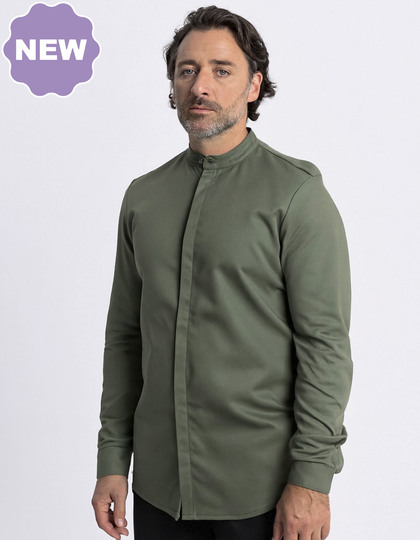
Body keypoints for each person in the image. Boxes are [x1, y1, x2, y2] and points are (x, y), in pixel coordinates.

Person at [91, 5, 353, 540]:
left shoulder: (297, 195)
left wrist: (312, 479)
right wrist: (113, 457)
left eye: (221, 69)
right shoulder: (143, 197)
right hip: (158, 491)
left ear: (254, 85)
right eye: (186, 70)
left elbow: (325, 346)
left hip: (260, 491)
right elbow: (125, 337)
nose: (200, 85)